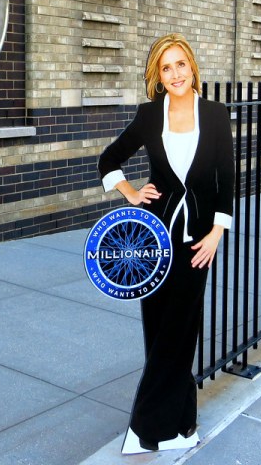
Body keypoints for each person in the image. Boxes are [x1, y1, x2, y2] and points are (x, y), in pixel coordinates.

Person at [98, 33, 235, 454]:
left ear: (192, 66)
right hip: (154, 240)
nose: (175, 73)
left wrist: (217, 232)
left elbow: (226, 180)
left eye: (180, 64)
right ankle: (183, 424)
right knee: (159, 332)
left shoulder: (214, 114)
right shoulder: (148, 115)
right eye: (166, 67)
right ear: (158, 76)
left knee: (182, 331)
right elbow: (109, 159)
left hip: (197, 241)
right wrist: (131, 193)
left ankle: (145, 426)